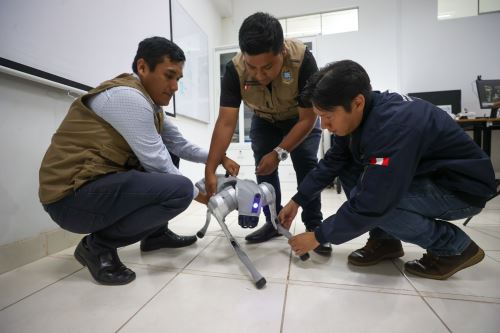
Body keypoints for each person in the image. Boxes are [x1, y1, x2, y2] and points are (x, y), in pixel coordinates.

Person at [39, 36, 238, 285]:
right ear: (143, 67)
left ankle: (155, 234)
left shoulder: (150, 104)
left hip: (93, 186)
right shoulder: (127, 98)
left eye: (178, 78)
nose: (175, 86)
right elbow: (158, 163)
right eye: (169, 75)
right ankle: (97, 247)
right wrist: (202, 196)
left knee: (172, 157)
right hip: (69, 198)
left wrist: (220, 158)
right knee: (180, 189)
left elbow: (180, 145)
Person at [279, 60, 497, 280]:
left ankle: (455, 247)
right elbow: (332, 162)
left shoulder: (392, 125)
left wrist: (318, 235)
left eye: (327, 116)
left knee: (380, 202)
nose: (324, 125)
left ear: (357, 102)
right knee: (351, 170)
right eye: (320, 117)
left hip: (463, 189)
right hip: (431, 177)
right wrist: (298, 200)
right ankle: (385, 241)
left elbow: (373, 202)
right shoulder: (362, 117)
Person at [204, 12, 331, 255]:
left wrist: (280, 151)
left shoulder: (303, 59)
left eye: (268, 67)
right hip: (264, 119)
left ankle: (314, 225)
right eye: (252, 67)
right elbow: (226, 122)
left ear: (282, 51)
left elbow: (307, 118)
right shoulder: (235, 69)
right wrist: (211, 168)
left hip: (299, 119)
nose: (259, 75)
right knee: (264, 166)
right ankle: (272, 222)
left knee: (305, 163)